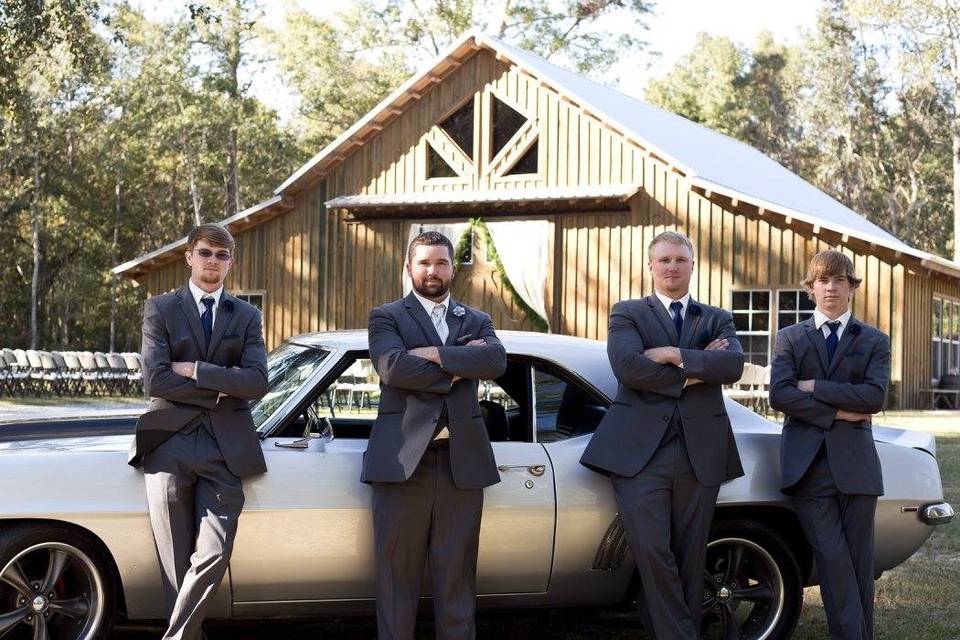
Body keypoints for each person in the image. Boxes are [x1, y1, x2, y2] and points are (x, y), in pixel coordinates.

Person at [580, 230, 745, 639]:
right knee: (653, 552)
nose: (672, 266)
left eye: (680, 260)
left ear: (692, 266)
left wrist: (673, 356)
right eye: (664, 259)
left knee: (690, 558)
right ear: (650, 266)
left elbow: (732, 367)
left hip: (700, 453)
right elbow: (628, 368)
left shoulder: (716, 318)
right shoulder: (628, 313)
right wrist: (697, 369)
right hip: (639, 457)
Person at [362, 230, 506, 640]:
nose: (432, 270)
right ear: (409, 268)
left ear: (452, 269)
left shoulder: (476, 319)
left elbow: (495, 360)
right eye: (424, 262)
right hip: (401, 464)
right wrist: (461, 366)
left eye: (441, 262)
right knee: (396, 579)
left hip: (463, 463)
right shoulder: (386, 316)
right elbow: (392, 367)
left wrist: (436, 355)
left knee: (456, 580)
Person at [129, 223, 268, 640]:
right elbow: (155, 381)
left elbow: (258, 381)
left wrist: (196, 370)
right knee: (174, 559)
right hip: (167, 442)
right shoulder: (161, 309)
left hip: (226, 447)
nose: (213, 262)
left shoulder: (247, 316)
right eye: (205, 253)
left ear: (231, 262)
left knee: (213, 551)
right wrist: (221, 389)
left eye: (222, 255)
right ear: (189, 256)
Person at [770, 249, 889, 640]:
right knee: (834, 561)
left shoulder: (874, 340)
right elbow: (781, 395)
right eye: (823, 280)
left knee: (858, 566)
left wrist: (816, 387)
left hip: (857, 468)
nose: (831, 287)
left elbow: (873, 398)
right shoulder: (789, 338)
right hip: (808, 469)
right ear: (810, 289)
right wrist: (838, 412)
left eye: (840, 280)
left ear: (852, 287)